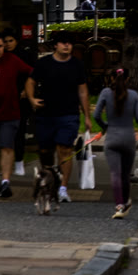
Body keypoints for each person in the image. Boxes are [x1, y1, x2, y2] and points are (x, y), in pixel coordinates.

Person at [26, 35, 90, 203]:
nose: (67, 46)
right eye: (63, 43)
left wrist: (87, 116)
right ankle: (49, 178)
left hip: (69, 114)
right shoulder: (44, 63)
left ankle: (63, 188)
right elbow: (31, 82)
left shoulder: (77, 64)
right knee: (45, 151)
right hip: (46, 114)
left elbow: (83, 91)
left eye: (70, 43)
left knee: (65, 149)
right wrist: (32, 99)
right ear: (55, 45)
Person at [93, 66, 138, 219]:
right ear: (128, 79)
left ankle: (119, 205)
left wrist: (105, 126)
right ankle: (126, 201)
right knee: (125, 174)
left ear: (111, 78)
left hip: (112, 137)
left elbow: (96, 115)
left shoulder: (105, 93)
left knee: (115, 173)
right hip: (128, 138)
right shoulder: (134, 95)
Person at [0, 29, 35, 201]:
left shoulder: (12, 60)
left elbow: (32, 72)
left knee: (7, 147)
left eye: (0, 46)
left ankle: (6, 181)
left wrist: (28, 91)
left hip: (10, 112)